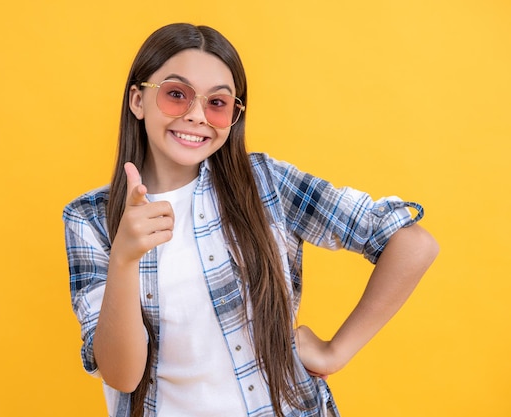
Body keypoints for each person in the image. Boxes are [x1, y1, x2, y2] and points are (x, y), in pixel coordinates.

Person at [63, 23, 439, 417]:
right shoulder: (90, 218)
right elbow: (122, 376)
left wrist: (335, 352)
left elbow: (414, 244)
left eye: (217, 103)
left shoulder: (265, 183)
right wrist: (124, 257)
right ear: (138, 101)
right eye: (176, 95)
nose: (196, 116)